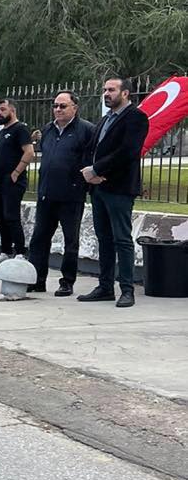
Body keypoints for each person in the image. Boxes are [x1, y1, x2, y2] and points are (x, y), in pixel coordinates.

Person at [80, 75, 150, 308]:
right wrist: (90, 172)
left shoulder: (136, 118)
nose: (106, 94)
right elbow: (93, 149)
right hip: (98, 187)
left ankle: (127, 289)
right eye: (104, 90)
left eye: (111, 90)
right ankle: (105, 287)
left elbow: (128, 151)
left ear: (125, 93)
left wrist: (97, 169)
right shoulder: (105, 119)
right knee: (104, 238)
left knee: (122, 239)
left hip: (119, 188)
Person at [28, 92, 94, 296]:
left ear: (75, 107)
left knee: (70, 241)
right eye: (55, 106)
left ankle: (67, 281)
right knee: (39, 238)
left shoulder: (86, 130)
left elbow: (90, 160)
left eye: (63, 106)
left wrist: (80, 185)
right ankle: (37, 279)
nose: (58, 109)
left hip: (71, 195)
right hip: (47, 193)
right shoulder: (48, 129)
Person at [0, 98, 34, 262]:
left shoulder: (20, 129)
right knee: (0, 217)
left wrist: (16, 172)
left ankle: (20, 252)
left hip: (12, 181)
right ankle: (5, 251)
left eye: (3, 110)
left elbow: (29, 152)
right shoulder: (2, 132)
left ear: (12, 111)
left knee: (11, 216)